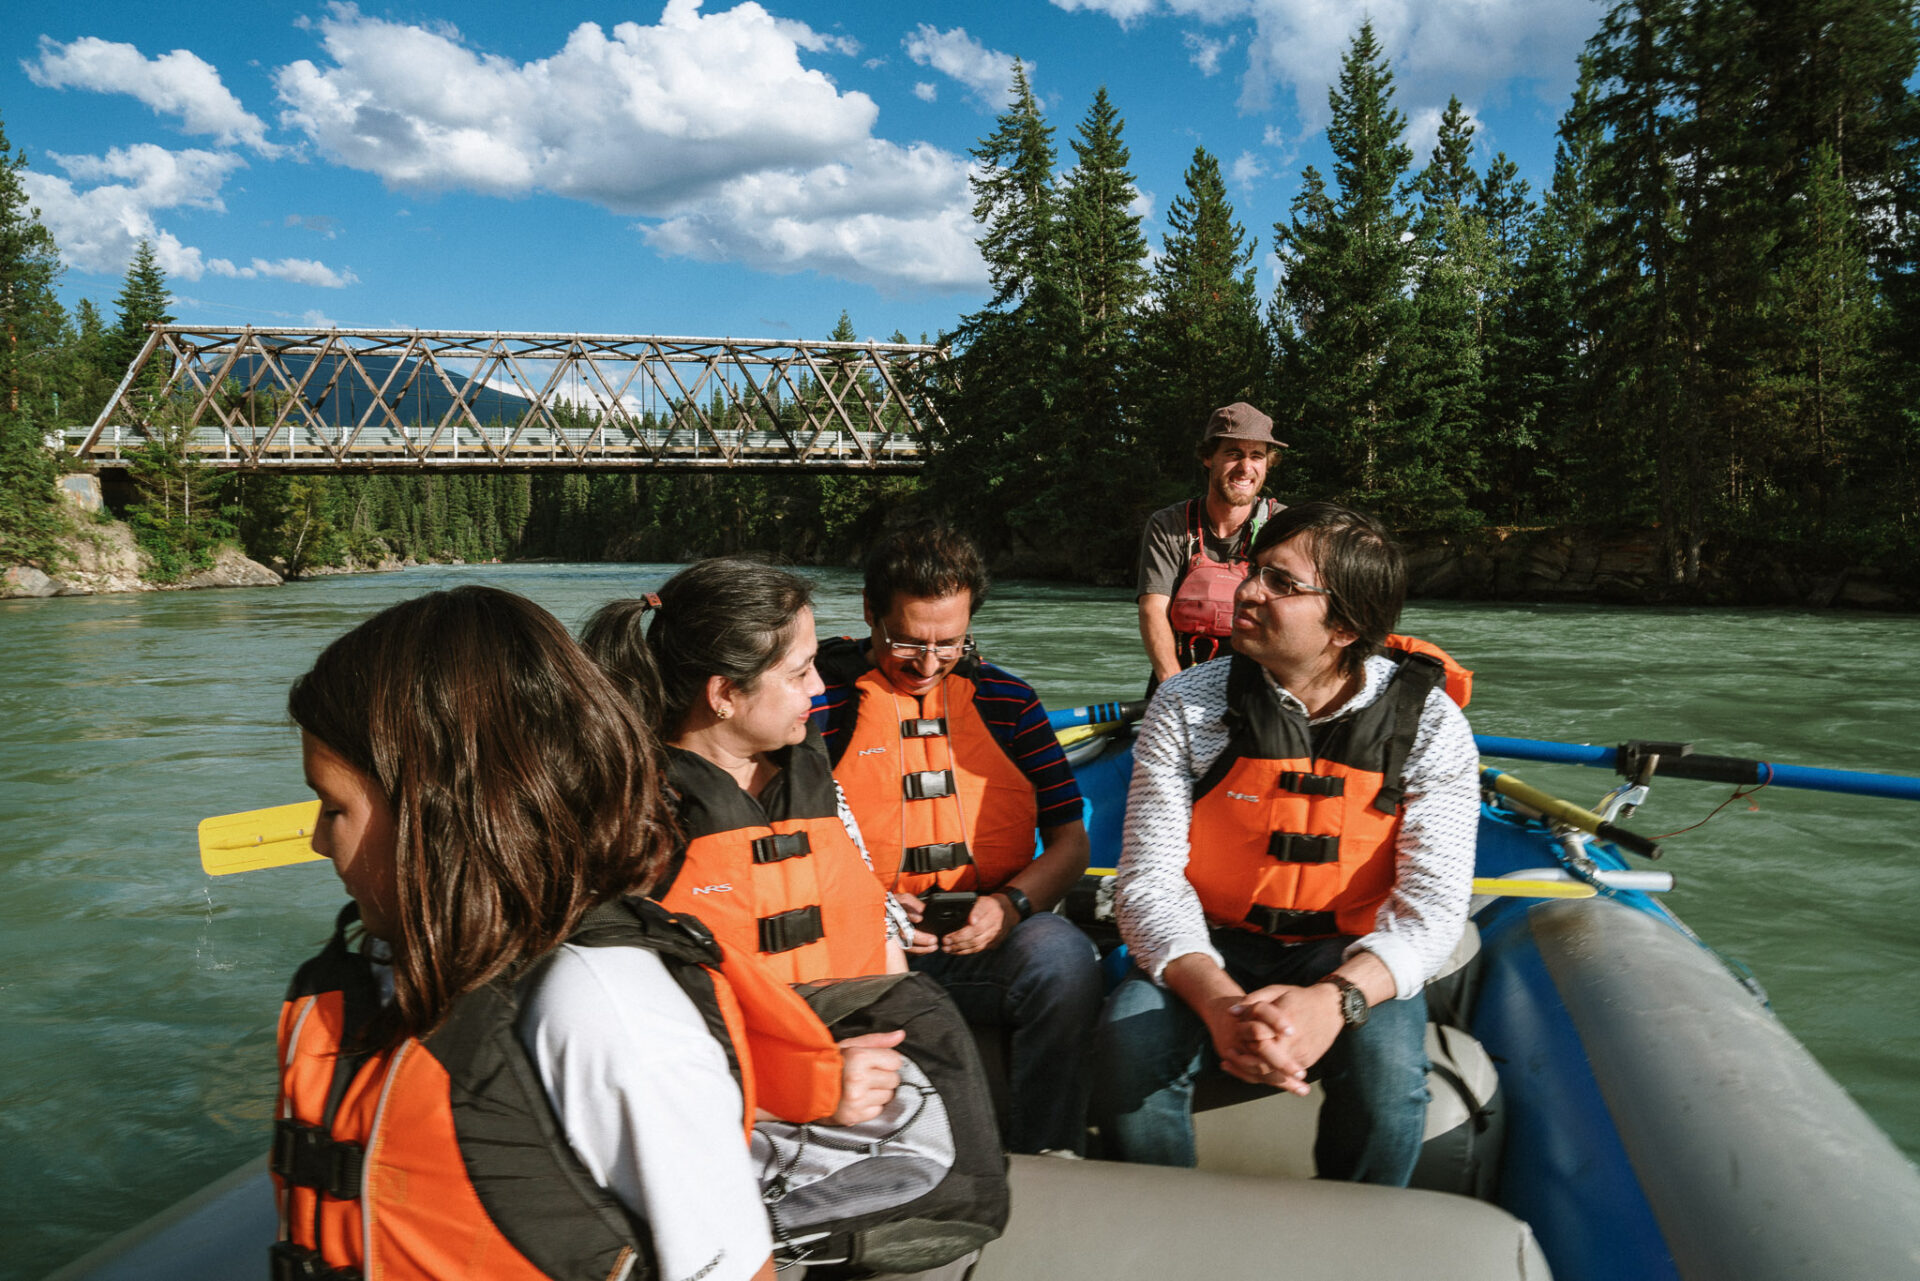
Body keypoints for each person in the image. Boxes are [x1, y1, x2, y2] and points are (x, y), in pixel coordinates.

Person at [278, 586, 808, 1281]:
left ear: (441, 808)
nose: (318, 840)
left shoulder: (603, 1011)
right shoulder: (399, 968)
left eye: (333, 807)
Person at [1092, 502, 1477, 1185]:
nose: (1247, 589)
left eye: (1280, 581)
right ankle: (1163, 1226)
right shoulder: (1186, 704)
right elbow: (1149, 879)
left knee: (1390, 1088)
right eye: (1254, 570)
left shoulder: (1431, 724)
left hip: (1350, 950)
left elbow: (1433, 910)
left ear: (1347, 626)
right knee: (1130, 1042)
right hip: (1214, 939)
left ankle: (1354, 1239)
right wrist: (1215, 998)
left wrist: (1336, 1000)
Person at [813, 523, 1105, 1156]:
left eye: (949, 643)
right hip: (861, 949)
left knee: (1063, 958)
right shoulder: (816, 708)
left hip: (991, 934)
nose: (927, 664)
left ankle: (1048, 1153)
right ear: (869, 612)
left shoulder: (1009, 702)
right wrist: (872, 913)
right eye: (909, 642)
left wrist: (1010, 907)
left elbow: (1069, 844)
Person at [582, 560, 912, 995]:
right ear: (725, 694)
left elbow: (879, 925)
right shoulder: (636, 815)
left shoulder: (812, 777)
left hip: (865, 1021)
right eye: (799, 673)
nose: (818, 687)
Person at [1135, 402, 1287, 686]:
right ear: (1208, 457)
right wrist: (1174, 688)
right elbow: (1152, 610)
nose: (1245, 467)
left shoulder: (1287, 527)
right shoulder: (1168, 525)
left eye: (1257, 456)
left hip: (1260, 685)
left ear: (1268, 463)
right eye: (1233, 454)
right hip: (1180, 678)